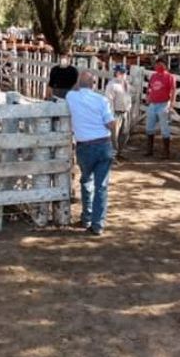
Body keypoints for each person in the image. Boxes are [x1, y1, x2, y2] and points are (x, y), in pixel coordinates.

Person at [65, 71, 115, 236]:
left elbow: (73, 89)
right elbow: (110, 124)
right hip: (103, 144)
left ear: (79, 83)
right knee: (101, 186)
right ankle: (97, 224)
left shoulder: (71, 97)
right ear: (94, 84)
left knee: (87, 180)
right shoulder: (102, 100)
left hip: (84, 145)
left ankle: (86, 217)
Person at [145, 57, 176, 158]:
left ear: (165, 65)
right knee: (149, 127)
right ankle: (149, 150)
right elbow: (149, 87)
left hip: (163, 103)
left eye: (161, 64)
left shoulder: (169, 77)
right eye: (157, 64)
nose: (158, 66)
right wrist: (148, 96)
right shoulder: (153, 76)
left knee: (164, 127)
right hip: (153, 104)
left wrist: (171, 104)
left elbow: (173, 90)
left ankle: (166, 152)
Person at [105, 64, 132, 159]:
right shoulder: (112, 85)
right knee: (114, 135)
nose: (123, 74)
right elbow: (109, 100)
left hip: (125, 111)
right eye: (120, 72)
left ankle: (119, 152)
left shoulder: (126, 84)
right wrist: (110, 115)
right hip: (116, 112)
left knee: (125, 133)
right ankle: (113, 155)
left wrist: (129, 108)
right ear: (116, 73)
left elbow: (128, 97)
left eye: (124, 72)